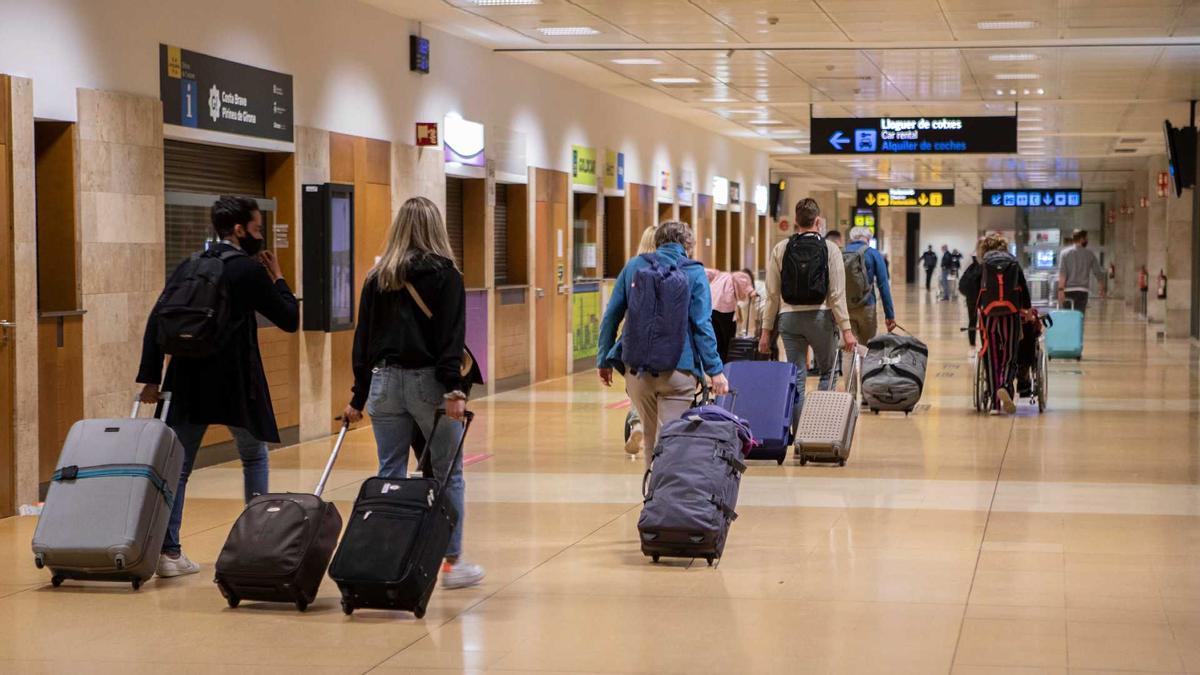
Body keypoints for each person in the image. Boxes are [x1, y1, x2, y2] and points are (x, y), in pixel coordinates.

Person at [136, 195, 300, 577]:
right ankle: (255, 545)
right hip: (235, 382)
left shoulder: (191, 264)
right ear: (239, 229)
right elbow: (289, 317)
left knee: (178, 466)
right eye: (258, 229)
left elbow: (156, 318)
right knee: (253, 456)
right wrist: (278, 277)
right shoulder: (247, 270)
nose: (260, 237)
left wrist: (150, 377)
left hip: (186, 379)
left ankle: (169, 553)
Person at [342, 196, 485, 590]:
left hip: (384, 383)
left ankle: (389, 556)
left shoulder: (377, 277)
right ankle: (451, 562)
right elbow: (450, 337)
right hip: (429, 384)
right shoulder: (446, 275)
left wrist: (358, 397)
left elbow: (364, 341)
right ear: (436, 228)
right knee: (447, 472)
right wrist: (454, 389)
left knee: (389, 471)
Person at [597, 220, 728, 470]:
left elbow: (611, 316)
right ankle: (669, 500)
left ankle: (652, 497)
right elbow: (702, 324)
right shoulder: (694, 272)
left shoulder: (634, 266)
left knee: (649, 436)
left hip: (637, 370)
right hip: (679, 370)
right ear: (687, 246)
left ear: (657, 242)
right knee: (671, 439)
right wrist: (715, 370)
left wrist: (603, 359)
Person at [760, 198, 857, 427]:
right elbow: (836, 294)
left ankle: (797, 431)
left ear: (795, 221)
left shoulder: (781, 248)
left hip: (788, 319)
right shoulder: (830, 249)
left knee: (797, 377)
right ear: (818, 221)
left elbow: (772, 294)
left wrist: (765, 332)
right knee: (828, 372)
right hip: (820, 318)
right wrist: (847, 330)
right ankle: (817, 429)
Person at [976, 233, 1031, 415]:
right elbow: (1023, 288)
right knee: (1009, 354)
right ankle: (1006, 386)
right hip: (1011, 313)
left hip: (989, 315)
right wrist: (1027, 310)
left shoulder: (984, 264)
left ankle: (994, 404)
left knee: (992, 358)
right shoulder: (1013, 262)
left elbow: (973, 289)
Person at [843, 226, 896, 344]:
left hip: (845, 307)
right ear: (868, 238)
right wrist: (889, 315)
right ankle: (863, 362)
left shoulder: (841, 252)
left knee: (848, 348)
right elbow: (883, 285)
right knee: (867, 347)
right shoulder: (873, 253)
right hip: (867, 306)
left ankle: (849, 362)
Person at [707, 268, 756, 361]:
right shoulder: (739, 275)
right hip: (725, 308)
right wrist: (751, 291)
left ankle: (719, 367)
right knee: (728, 342)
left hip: (711, 307)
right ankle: (727, 365)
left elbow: (706, 273)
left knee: (717, 341)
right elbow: (740, 278)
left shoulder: (719, 274)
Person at [1058, 229, 1105, 314]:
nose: (1088, 240)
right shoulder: (1089, 254)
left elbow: (1062, 273)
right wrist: (1101, 288)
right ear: (1081, 239)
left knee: (1068, 317)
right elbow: (1098, 272)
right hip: (1082, 291)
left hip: (1068, 291)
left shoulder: (1064, 253)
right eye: (1086, 238)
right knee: (1079, 317)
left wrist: (1060, 290)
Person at [958, 251, 982, 359]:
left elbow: (962, 284)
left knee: (972, 322)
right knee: (984, 323)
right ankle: (982, 346)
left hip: (971, 299)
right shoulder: (985, 267)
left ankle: (972, 347)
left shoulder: (971, 267)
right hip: (982, 299)